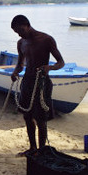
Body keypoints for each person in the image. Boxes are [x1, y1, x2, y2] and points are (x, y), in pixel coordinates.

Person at [10, 15, 65, 157]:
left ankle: (41, 151)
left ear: (27, 25)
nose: (19, 34)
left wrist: (50, 67)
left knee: (41, 119)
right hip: (27, 83)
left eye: (20, 30)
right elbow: (21, 64)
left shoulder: (46, 39)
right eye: (16, 32)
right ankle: (32, 148)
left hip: (42, 83)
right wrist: (16, 72)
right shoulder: (21, 43)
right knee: (27, 117)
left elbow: (61, 62)